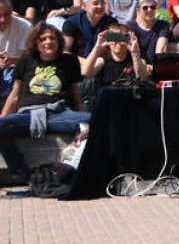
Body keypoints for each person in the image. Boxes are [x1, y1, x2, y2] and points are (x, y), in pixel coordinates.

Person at [0, 24, 88, 183]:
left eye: (52, 38)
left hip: (58, 114)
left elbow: (75, 93)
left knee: (93, 120)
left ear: (58, 41)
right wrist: (2, 118)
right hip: (28, 114)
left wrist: (78, 113)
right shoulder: (26, 60)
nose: (48, 42)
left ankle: (74, 171)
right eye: (43, 39)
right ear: (36, 42)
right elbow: (14, 95)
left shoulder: (69, 60)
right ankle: (20, 172)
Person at [81, 25, 148, 87]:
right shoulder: (102, 61)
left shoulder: (139, 61)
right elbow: (85, 73)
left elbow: (142, 79)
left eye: (122, 37)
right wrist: (98, 47)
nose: (118, 42)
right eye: (114, 37)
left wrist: (135, 52)